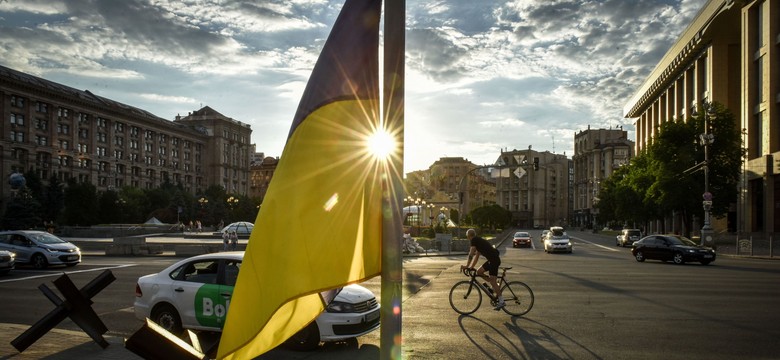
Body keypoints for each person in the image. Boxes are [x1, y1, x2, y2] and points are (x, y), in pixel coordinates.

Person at [460, 228, 504, 310]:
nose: (467, 238)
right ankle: (494, 285)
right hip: (492, 260)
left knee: (492, 281)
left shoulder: (474, 240)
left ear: (469, 236)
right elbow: (476, 256)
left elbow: (471, 253)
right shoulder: (478, 240)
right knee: (479, 272)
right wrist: (471, 267)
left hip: (493, 261)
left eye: (467, 237)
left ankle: (501, 301)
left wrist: (466, 266)